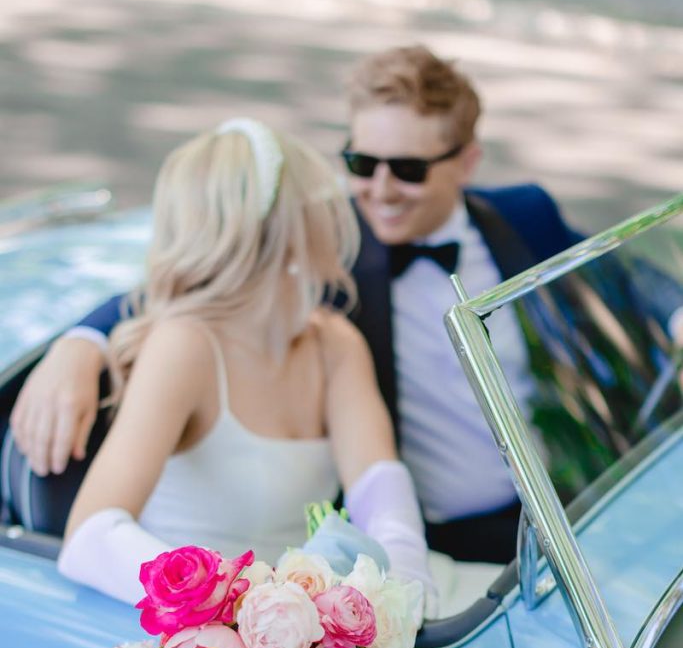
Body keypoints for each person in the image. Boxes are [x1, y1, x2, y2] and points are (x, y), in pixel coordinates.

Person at [11, 45, 683, 564]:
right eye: (362, 163)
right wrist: (81, 343)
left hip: (568, 505)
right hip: (440, 537)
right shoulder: (321, 254)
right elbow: (195, 273)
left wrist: (676, 308)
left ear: (467, 161)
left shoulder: (523, 218)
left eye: (409, 169)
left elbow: (622, 276)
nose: (379, 190)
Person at [54, 118, 436, 608]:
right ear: (285, 231)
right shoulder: (186, 346)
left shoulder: (335, 343)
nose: (334, 211)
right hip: (204, 641)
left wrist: (403, 591)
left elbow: (378, 485)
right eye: (315, 204)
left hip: (312, 631)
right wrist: (240, 609)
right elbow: (90, 533)